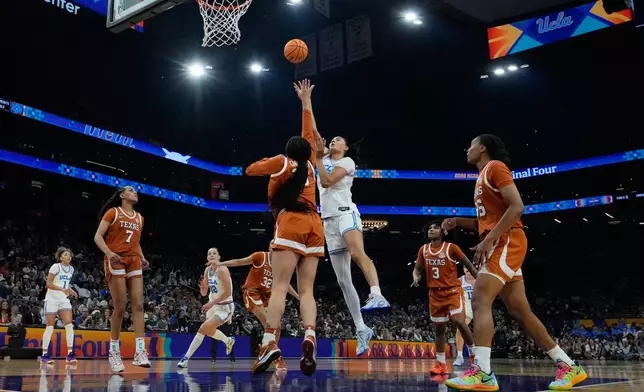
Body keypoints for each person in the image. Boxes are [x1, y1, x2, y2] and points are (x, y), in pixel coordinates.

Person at [443, 135, 587, 391]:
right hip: (502, 241)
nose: (467, 150)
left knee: (479, 299)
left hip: (506, 242)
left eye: (471, 145)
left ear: (483, 148)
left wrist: (490, 241)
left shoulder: (495, 167)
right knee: (520, 312)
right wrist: (459, 222)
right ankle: (568, 365)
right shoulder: (482, 175)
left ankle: (483, 373)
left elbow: (517, 206)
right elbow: (488, 221)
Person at [246, 79, 324, 376]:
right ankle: (309, 335)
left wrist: (268, 163)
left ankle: (269, 341)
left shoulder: (283, 162)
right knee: (306, 291)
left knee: (279, 285)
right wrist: (306, 101)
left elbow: (250, 169)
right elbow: (308, 130)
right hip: (315, 225)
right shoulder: (311, 165)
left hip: (290, 221)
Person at [314, 134, 390, 356]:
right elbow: (314, 132)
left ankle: (376, 293)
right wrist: (306, 100)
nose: (333, 141)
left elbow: (327, 181)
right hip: (328, 221)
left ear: (345, 147)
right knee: (342, 280)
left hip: (346, 214)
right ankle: (361, 328)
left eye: (339, 140)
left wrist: (319, 158)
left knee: (357, 253)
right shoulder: (323, 158)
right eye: (332, 139)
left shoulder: (346, 162)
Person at [215, 242, 299, 370]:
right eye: (273, 245)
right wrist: (221, 263)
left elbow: (286, 284)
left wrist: (298, 297)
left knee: (278, 327)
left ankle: (266, 352)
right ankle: (274, 356)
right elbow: (239, 262)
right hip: (252, 292)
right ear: (270, 247)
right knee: (268, 323)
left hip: (266, 297)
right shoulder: (260, 256)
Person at [94, 186, 150, 372]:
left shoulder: (140, 218)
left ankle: (140, 352)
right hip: (116, 258)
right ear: (122, 195)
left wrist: (142, 257)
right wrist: (109, 253)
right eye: (131, 190)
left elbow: (136, 242)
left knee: (139, 304)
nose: (135, 192)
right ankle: (114, 352)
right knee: (120, 305)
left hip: (133, 259)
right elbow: (97, 237)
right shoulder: (113, 212)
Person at [412, 221, 478, 375]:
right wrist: (416, 277)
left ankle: (475, 358)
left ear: (443, 232)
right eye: (429, 227)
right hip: (435, 294)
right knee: (439, 330)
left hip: (452, 291)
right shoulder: (424, 249)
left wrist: (479, 280)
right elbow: (417, 269)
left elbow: (468, 264)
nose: (431, 229)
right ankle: (441, 364)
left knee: (459, 321)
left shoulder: (451, 248)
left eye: (435, 227)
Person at [177, 247, 236, 368]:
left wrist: (211, 303)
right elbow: (204, 293)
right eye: (209, 254)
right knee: (209, 331)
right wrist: (203, 289)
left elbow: (228, 292)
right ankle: (228, 341)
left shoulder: (223, 269)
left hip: (225, 306)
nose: (212, 255)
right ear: (207, 257)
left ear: (219, 257)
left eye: (214, 253)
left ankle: (186, 358)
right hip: (213, 305)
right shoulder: (207, 270)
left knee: (202, 329)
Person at [40, 247, 78, 364]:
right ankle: (45, 355)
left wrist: (70, 290)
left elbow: (65, 283)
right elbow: (49, 284)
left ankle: (70, 354)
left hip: (63, 299)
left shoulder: (71, 269)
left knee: (69, 325)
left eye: (70, 255)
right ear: (61, 257)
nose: (68, 257)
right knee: (50, 326)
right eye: (66, 255)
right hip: (51, 299)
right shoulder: (55, 266)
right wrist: (62, 289)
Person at [454, 268, 475, 366]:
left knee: (481, 333)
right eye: (467, 272)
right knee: (460, 329)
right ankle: (459, 356)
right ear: (463, 271)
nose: (469, 274)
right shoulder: (460, 280)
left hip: (479, 308)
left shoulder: (479, 278)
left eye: (470, 271)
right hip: (467, 309)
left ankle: (476, 355)